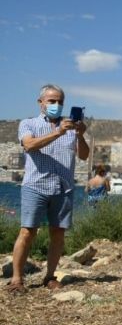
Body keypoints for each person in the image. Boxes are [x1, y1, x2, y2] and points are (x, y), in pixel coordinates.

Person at [7, 84, 89, 292]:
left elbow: (84, 156)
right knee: (27, 231)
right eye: (52, 101)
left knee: (58, 233)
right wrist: (58, 133)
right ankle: (17, 279)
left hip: (64, 187)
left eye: (60, 101)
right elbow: (29, 145)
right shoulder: (29, 124)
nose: (56, 105)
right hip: (36, 186)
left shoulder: (70, 128)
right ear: (40, 102)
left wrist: (80, 135)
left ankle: (50, 276)